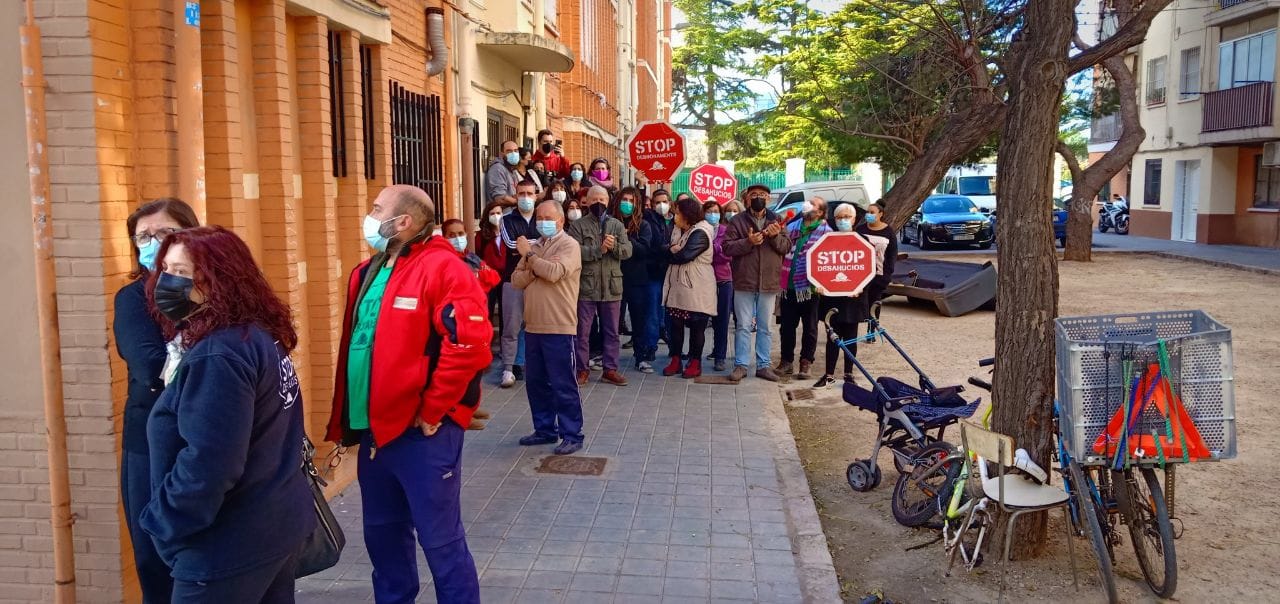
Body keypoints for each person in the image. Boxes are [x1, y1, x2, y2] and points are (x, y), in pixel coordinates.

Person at [327, 185, 492, 604]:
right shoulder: (368, 272)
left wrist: (435, 407)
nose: (370, 215)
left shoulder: (444, 268)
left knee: (441, 542)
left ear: (403, 222)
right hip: (374, 434)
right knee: (383, 538)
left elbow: (470, 344)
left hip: (422, 434)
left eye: (377, 209)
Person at [139, 226, 313, 603]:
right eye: (165, 269)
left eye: (183, 272)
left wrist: (163, 523)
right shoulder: (253, 337)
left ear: (221, 280)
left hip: (227, 542)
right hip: (271, 526)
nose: (168, 281)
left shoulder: (220, 354)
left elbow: (210, 463)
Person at [114, 198, 199, 604]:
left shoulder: (212, 296)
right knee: (154, 558)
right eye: (143, 237)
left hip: (205, 443)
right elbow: (149, 365)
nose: (153, 243)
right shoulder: (133, 298)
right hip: (149, 445)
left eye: (164, 233)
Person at [512, 201, 586, 455]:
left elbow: (554, 272)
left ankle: (572, 434)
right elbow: (516, 280)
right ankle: (545, 429)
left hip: (559, 326)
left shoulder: (569, 245)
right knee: (536, 382)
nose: (542, 221)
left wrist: (531, 258)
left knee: (563, 383)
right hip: (533, 326)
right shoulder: (535, 246)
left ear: (561, 221)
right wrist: (536, 264)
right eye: (539, 217)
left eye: (549, 217)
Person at [815, 202, 898, 388]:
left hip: (855, 296)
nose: (843, 220)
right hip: (832, 298)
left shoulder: (863, 240)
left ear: (854, 219)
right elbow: (818, 265)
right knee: (832, 338)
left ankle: (848, 374)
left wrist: (861, 287)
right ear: (834, 220)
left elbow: (868, 269)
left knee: (851, 338)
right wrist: (819, 284)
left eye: (847, 217)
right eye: (839, 217)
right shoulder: (826, 239)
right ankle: (828, 374)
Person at [722, 184, 792, 382]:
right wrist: (748, 242)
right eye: (754, 195)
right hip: (744, 280)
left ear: (768, 199)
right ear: (747, 199)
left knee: (765, 327)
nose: (759, 198)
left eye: (763, 195)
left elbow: (786, 247)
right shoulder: (737, 220)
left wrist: (775, 235)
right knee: (743, 325)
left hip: (769, 281)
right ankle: (741, 365)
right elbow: (727, 247)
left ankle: (763, 365)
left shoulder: (777, 220)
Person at [567, 185, 633, 386]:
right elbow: (573, 251)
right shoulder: (578, 226)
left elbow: (628, 251)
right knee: (582, 332)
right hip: (586, 287)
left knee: (612, 331)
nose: (599, 204)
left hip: (612, 288)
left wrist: (613, 248)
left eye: (602, 200)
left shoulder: (616, 225)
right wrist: (598, 249)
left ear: (608, 201)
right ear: (586, 201)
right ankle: (582, 369)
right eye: (594, 200)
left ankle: (610, 369)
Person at [776, 196, 831, 380]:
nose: (807, 205)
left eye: (813, 204)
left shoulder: (826, 233)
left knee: (810, 328)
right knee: (786, 327)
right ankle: (786, 362)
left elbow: (828, 262)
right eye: (808, 202)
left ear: (820, 212)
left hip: (810, 288)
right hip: (788, 286)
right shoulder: (791, 227)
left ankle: (806, 363)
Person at [661, 198, 717, 378]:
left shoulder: (701, 232)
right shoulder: (680, 230)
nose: (675, 216)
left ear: (687, 215)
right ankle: (676, 359)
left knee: (696, 326)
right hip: (679, 287)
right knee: (676, 325)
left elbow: (685, 256)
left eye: (677, 213)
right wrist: (670, 249)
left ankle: (695, 362)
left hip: (697, 287)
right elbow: (662, 248)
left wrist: (670, 251)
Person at [498, 180, 543, 387]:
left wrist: (526, 246)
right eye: (521, 193)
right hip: (512, 280)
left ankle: (526, 363)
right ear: (515, 195)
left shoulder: (542, 218)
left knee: (534, 324)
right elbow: (510, 244)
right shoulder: (506, 220)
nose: (526, 197)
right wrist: (536, 245)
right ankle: (508, 368)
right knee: (511, 325)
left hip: (538, 278)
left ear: (536, 196)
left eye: (530, 193)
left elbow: (548, 242)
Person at [616, 186, 656, 368]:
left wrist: (626, 238)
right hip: (614, 278)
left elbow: (644, 250)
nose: (627, 204)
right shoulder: (610, 222)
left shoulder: (643, 225)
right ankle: (608, 357)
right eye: (624, 200)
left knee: (638, 318)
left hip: (636, 279)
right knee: (613, 320)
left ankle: (640, 356)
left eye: (631, 201)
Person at [636, 188, 674, 371]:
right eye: (657, 202)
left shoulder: (673, 221)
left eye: (664, 201)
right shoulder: (648, 220)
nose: (661, 205)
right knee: (652, 313)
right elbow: (651, 245)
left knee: (669, 314)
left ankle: (673, 347)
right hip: (652, 273)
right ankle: (649, 348)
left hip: (670, 274)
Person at [704, 200, 734, 372]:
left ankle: (720, 356)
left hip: (723, 280)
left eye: (715, 211)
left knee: (721, 320)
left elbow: (727, 255)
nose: (712, 214)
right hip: (704, 280)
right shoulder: (699, 230)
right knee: (702, 320)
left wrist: (711, 247)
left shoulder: (725, 231)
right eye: (709, 211)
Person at [478, 201, 507, 326]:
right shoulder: (481, 236)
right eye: (492, 213)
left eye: (499, 213)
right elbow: (478, 256)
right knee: (487, 311)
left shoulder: (508, 233)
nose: (496, 216)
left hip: (506, 278)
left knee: (505, 314)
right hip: (489, 280)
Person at [485, 140, 520, 204]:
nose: (513, 154)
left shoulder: (512, 170)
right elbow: (500, 198)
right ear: (501, 154)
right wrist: (520, 204)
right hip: (503, 212)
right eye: (509, 151)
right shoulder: (497, 169)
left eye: (515, 151)